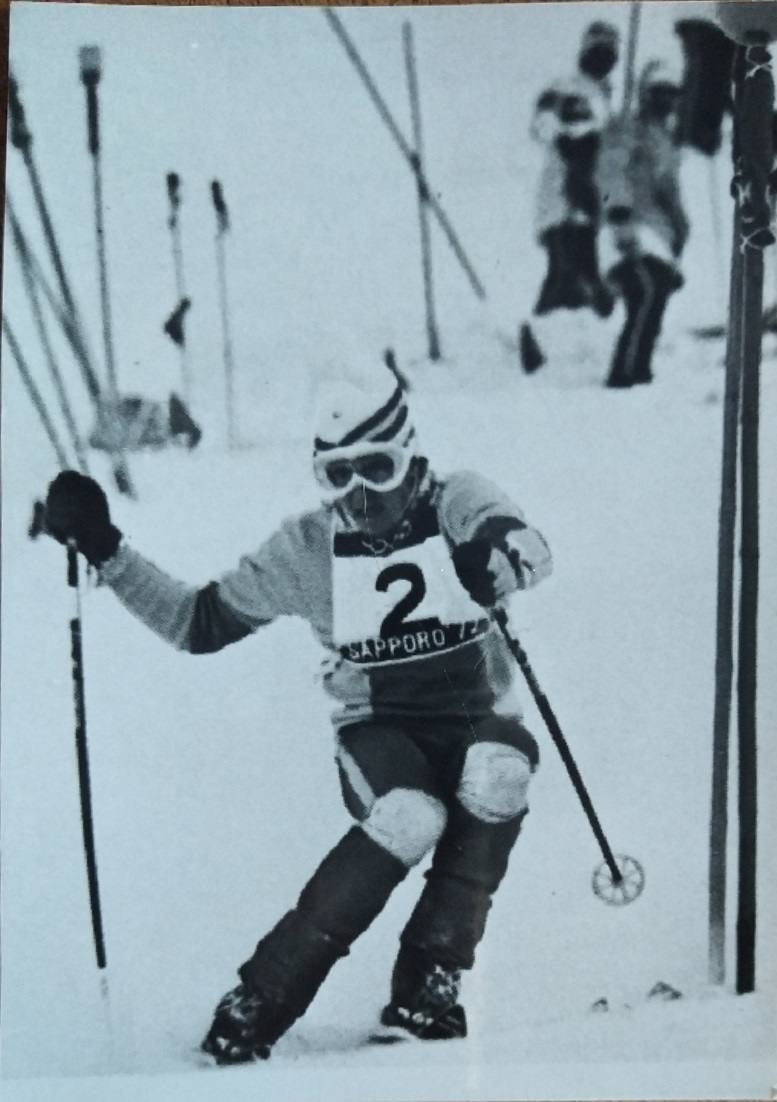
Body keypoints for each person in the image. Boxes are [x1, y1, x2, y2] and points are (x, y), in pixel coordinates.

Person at [43, 362, 553, 1064]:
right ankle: (260, 998)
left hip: (477, 715)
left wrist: (494, 559)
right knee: (409, 814)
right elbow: (199, 623)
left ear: (410, 455)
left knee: (499, 775)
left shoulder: (454, 500)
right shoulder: (307, 548)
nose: (360, 493)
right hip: (379, 730)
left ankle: (428, 983)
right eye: (337, 474)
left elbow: (524, 545)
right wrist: (107, 548)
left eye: (378, 467)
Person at [519, 21, 619, 373]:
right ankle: (537, 337)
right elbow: (542, 127)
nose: (603, 58)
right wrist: (577, 134)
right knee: (566, 271)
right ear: (585, 52)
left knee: (580, 272)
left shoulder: (605, 96)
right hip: (563, 200)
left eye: (610, 53)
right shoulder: (565, 88)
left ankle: (563, 343)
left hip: (588, 202)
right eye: (598, 51)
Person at [597, 60, 689, 387]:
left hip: (656, 229)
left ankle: (639, 369)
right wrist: (619, 213)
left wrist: (680, 225)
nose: (666, 101)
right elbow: (611, 170)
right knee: (645, 291)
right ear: (646, 95)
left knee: (655, 293)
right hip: (627, 224)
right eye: (659, 93)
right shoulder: (627, 128)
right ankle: (624, 372)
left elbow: (668, 188)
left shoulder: (665, 139)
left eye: (671, 94)